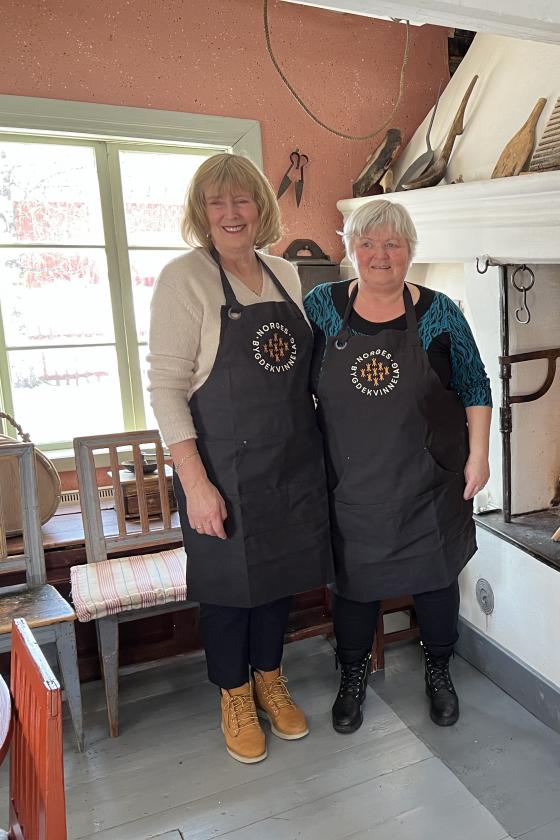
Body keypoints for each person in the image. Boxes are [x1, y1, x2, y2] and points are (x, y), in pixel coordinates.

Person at [148, 153, 333, 764]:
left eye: (242, 199)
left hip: (290, 465)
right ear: (201, 213)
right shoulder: (184, 279)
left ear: (261, 207)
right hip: (220, 470)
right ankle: (234, 694)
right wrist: (195, 484)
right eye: (216, 202)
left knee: (277, 581)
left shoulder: (285, 273)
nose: (231, 213)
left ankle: (269, 679)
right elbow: (167, 389)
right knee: (228, 592)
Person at [305, 199, 492, 734]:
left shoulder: (439, 312)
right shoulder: (322, 307)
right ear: (351, 249)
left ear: (410, 250)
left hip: (427, 480)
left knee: (435, 582)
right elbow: (295, 388)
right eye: (367, 243)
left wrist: (479, 456)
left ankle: (439, 671)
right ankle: (352, 675)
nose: (380, 255)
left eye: (393, 243)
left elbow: (475, 385)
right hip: (348, 482)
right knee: (353, 587)